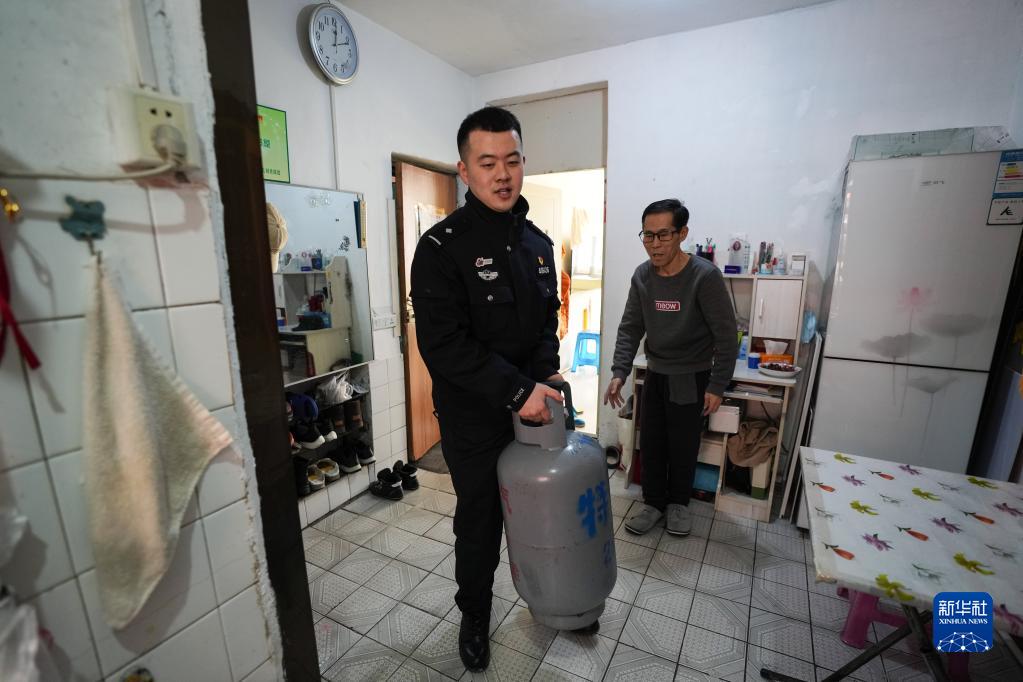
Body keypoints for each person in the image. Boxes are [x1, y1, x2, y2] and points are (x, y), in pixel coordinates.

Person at [410, 106, 565, 672]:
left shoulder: (539, 245)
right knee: (480, 522)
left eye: (512, 160)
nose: (503, 174)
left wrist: (547, 374)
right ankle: (475, 614)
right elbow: (444, 346)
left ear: (523, 163)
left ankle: (558, 597)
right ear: (464, 170)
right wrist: (518, 390)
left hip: (534, 407)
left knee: (544, 510)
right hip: (474, 417)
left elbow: (545, 324)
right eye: (487, 162)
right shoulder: (440, 248)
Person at [604, 199, 737, 537]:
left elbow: (726, 336)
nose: (655, 244)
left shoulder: (704, 277)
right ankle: (653, 504)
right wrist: (619, 372)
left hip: (691, 376)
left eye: (663, 235)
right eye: (648, 236)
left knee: (683, 444)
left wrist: (717, 385)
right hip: (656, 373)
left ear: (682, 234)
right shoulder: (643, 276)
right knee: (651, 441)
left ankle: (678, 505)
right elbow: (630, 327)